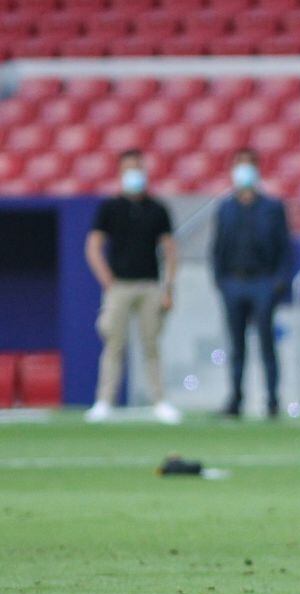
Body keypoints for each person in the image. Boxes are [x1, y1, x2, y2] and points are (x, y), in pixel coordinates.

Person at [84, 148, 181, 425]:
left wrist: (168, 287)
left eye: (138, 168)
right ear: (120, 172)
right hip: (120, 286)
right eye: (129, 169)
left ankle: (159, 401)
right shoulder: (110, 208)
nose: (134, 174)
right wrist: (108, 281)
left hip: (150, 285)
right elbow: (93, 247)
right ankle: (104, 401)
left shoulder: (157, 209)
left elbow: (170, 250)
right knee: (114, 344)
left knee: (151, 345)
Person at [211, 149, 292, 418]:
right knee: (236, 345)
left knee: (267, 343)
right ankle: (235, 399)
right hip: (233, 281)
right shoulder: (225, 207)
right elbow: (218, 247)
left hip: (263, 282)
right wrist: (220, 280)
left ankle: (272, 400)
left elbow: (284, 246)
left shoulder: (272, 207)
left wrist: (278, 280)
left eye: (248, 166)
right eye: (239, 166)